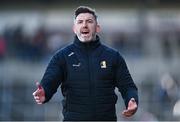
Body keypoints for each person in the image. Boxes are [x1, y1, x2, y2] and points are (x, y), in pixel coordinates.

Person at [33, 6, 138, 121]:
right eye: (80, 22)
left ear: (97, 28)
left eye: (89, 21)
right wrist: (45, 92)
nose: (84, 25)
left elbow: (128, 86)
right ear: (74, 28)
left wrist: (131, 99)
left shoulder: (113, 56)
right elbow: (50, 80)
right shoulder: (62, 57)